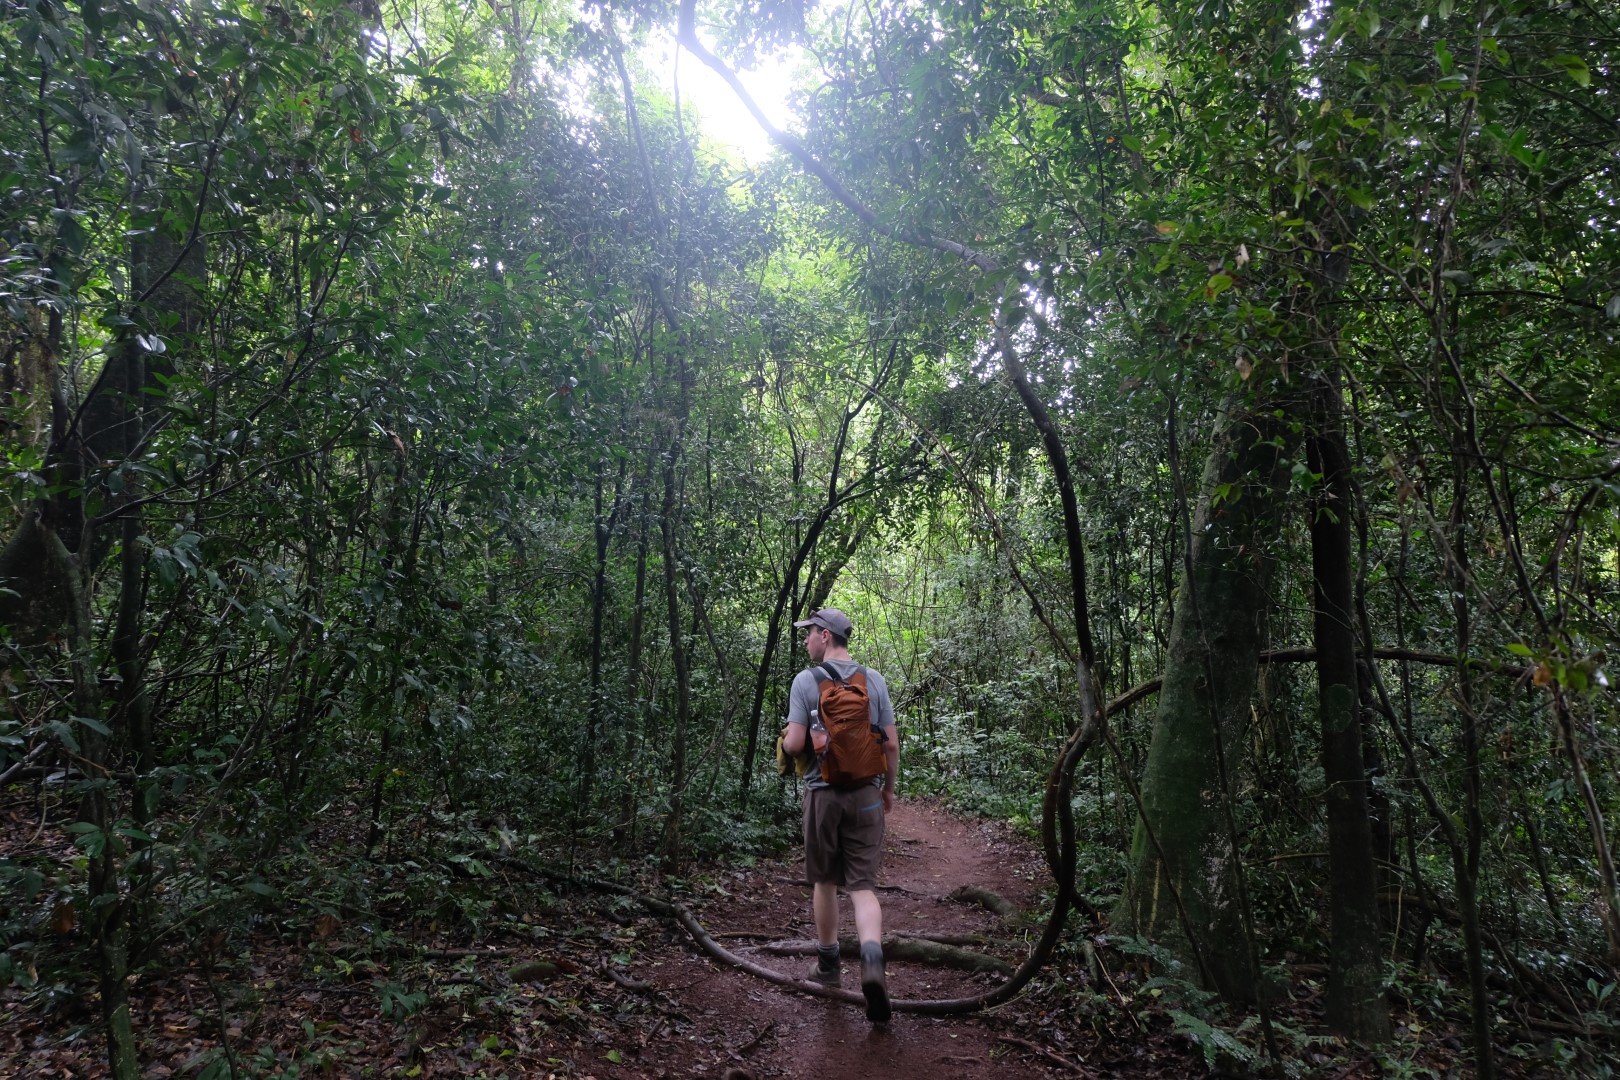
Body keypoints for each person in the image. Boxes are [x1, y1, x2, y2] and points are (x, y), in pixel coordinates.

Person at [780, 607, 900, 1023]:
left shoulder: (805, 681)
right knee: (862, 887)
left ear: (826, 636)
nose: (806, 640)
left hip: (823, 795)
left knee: (825, 881)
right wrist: (887, 790)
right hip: (866, 795)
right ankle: (872, 961)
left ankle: (829, 966)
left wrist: (787, 739)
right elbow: (891, 745)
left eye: (809, 633)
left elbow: (795, 744)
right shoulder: (874, 680)